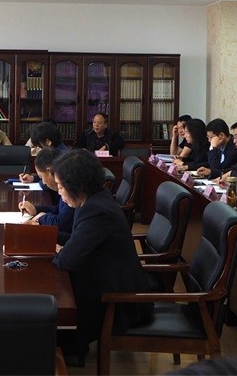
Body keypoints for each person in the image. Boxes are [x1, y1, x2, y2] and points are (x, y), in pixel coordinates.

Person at [52, 149, 153, 361]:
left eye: (60, 186)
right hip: (105, 283)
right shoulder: (93, 200)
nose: (59, 192)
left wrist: (60, 250)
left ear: (76, 185)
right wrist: (46, 236)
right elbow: (76, 239)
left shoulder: (97, 211)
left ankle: (70, 350)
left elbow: (67, 260)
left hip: (117, 302)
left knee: (48, 324)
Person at [17, 147, 73, 244]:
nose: (43, 182)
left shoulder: (71, 189)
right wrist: (36, 209)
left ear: (50, 171)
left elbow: (62, 223)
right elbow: (59, 210)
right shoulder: (66, 186)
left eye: (41, 177)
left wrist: (42, 218)